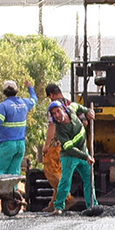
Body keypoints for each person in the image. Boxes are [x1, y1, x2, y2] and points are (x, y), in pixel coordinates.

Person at [45, 83, 99, 215]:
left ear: (64, 109)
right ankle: (59, 206)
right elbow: (69, 149)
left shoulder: (72, 108)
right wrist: (86, 157)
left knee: (89, 180)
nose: (58, 115)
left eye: (58, 111)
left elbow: (81, 108)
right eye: (54, 114)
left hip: (83, 152)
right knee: (65, 180)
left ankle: (93, 205)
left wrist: (89, 111)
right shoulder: (60, 130)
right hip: (70, 156)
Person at [0, 81, 35, 176]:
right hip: (21, 144)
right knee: (14, 172)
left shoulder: (4, 106)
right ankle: (13, 190)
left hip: (7, 144)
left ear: (4, 92)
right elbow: (34, 99)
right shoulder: (24, 103)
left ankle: (2, 190)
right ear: (16, 91)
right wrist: (30, 87)